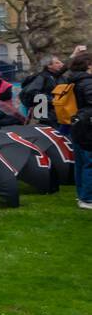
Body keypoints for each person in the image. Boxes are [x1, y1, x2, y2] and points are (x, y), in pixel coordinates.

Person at [59, 53, 92, 208]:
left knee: (81, 162)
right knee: (89, 162)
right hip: (87, 124)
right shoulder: (87, 81)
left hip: (77, 122)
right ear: (88, 65)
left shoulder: (72, 79)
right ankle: (87, 198)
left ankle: (82, 195)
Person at [20, 55, 65, 125]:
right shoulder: (42, 77)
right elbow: (32, 91)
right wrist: (52, 100)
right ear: (49, 66)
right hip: (44, 114)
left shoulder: (54, 76)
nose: (61, 64)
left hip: (51, 113)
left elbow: (65, 68)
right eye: (57, 63)